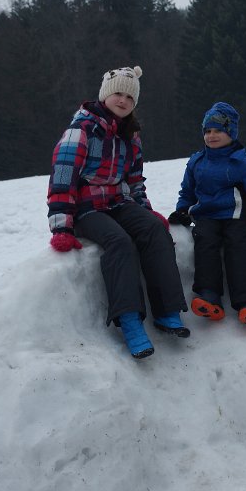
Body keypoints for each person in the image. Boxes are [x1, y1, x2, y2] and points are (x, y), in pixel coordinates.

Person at [46, 65, 189, 359]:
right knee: (120, 242)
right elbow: (63, 177)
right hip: (86, 210)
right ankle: (130, 321)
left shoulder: (130, 135)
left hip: (118, 203)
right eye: (118, 94)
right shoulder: (81, 130)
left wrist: (145, 210)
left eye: (130, 97)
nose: (123, 100)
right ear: (105, 95)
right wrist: (61, 226)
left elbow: (134, 180)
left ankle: (167, 311)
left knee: (154, 230)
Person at [168, 102, 246, 326]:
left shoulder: (245, 164)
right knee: (205, 244)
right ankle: (209, 295)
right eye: (207, 131)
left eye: (218, 130)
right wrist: (182, 210)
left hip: (236, 217)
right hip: (207, 217)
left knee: (240, 247)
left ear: (231, 132)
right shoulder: (196, 162)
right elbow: (187, 191)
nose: (211, 136)